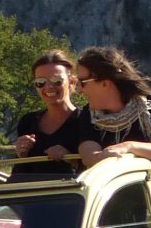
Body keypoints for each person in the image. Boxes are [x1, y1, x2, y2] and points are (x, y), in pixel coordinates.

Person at [77, 45, 151, 165]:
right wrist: (104, 156)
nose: (79, 90)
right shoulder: (89, 114)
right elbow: (89, 157)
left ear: (105, 83)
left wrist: (129, 146)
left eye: (82, 83)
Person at [11, 47, 102, 177]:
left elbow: (97, 172)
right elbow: (20, 174)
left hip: (69, 195)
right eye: (40, 82)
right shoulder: (28, 121)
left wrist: (72, 159)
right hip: (31, 194)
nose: (48, 87)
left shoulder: (87, 120)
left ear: (72, 82)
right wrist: (21, 154)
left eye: (56, 80)